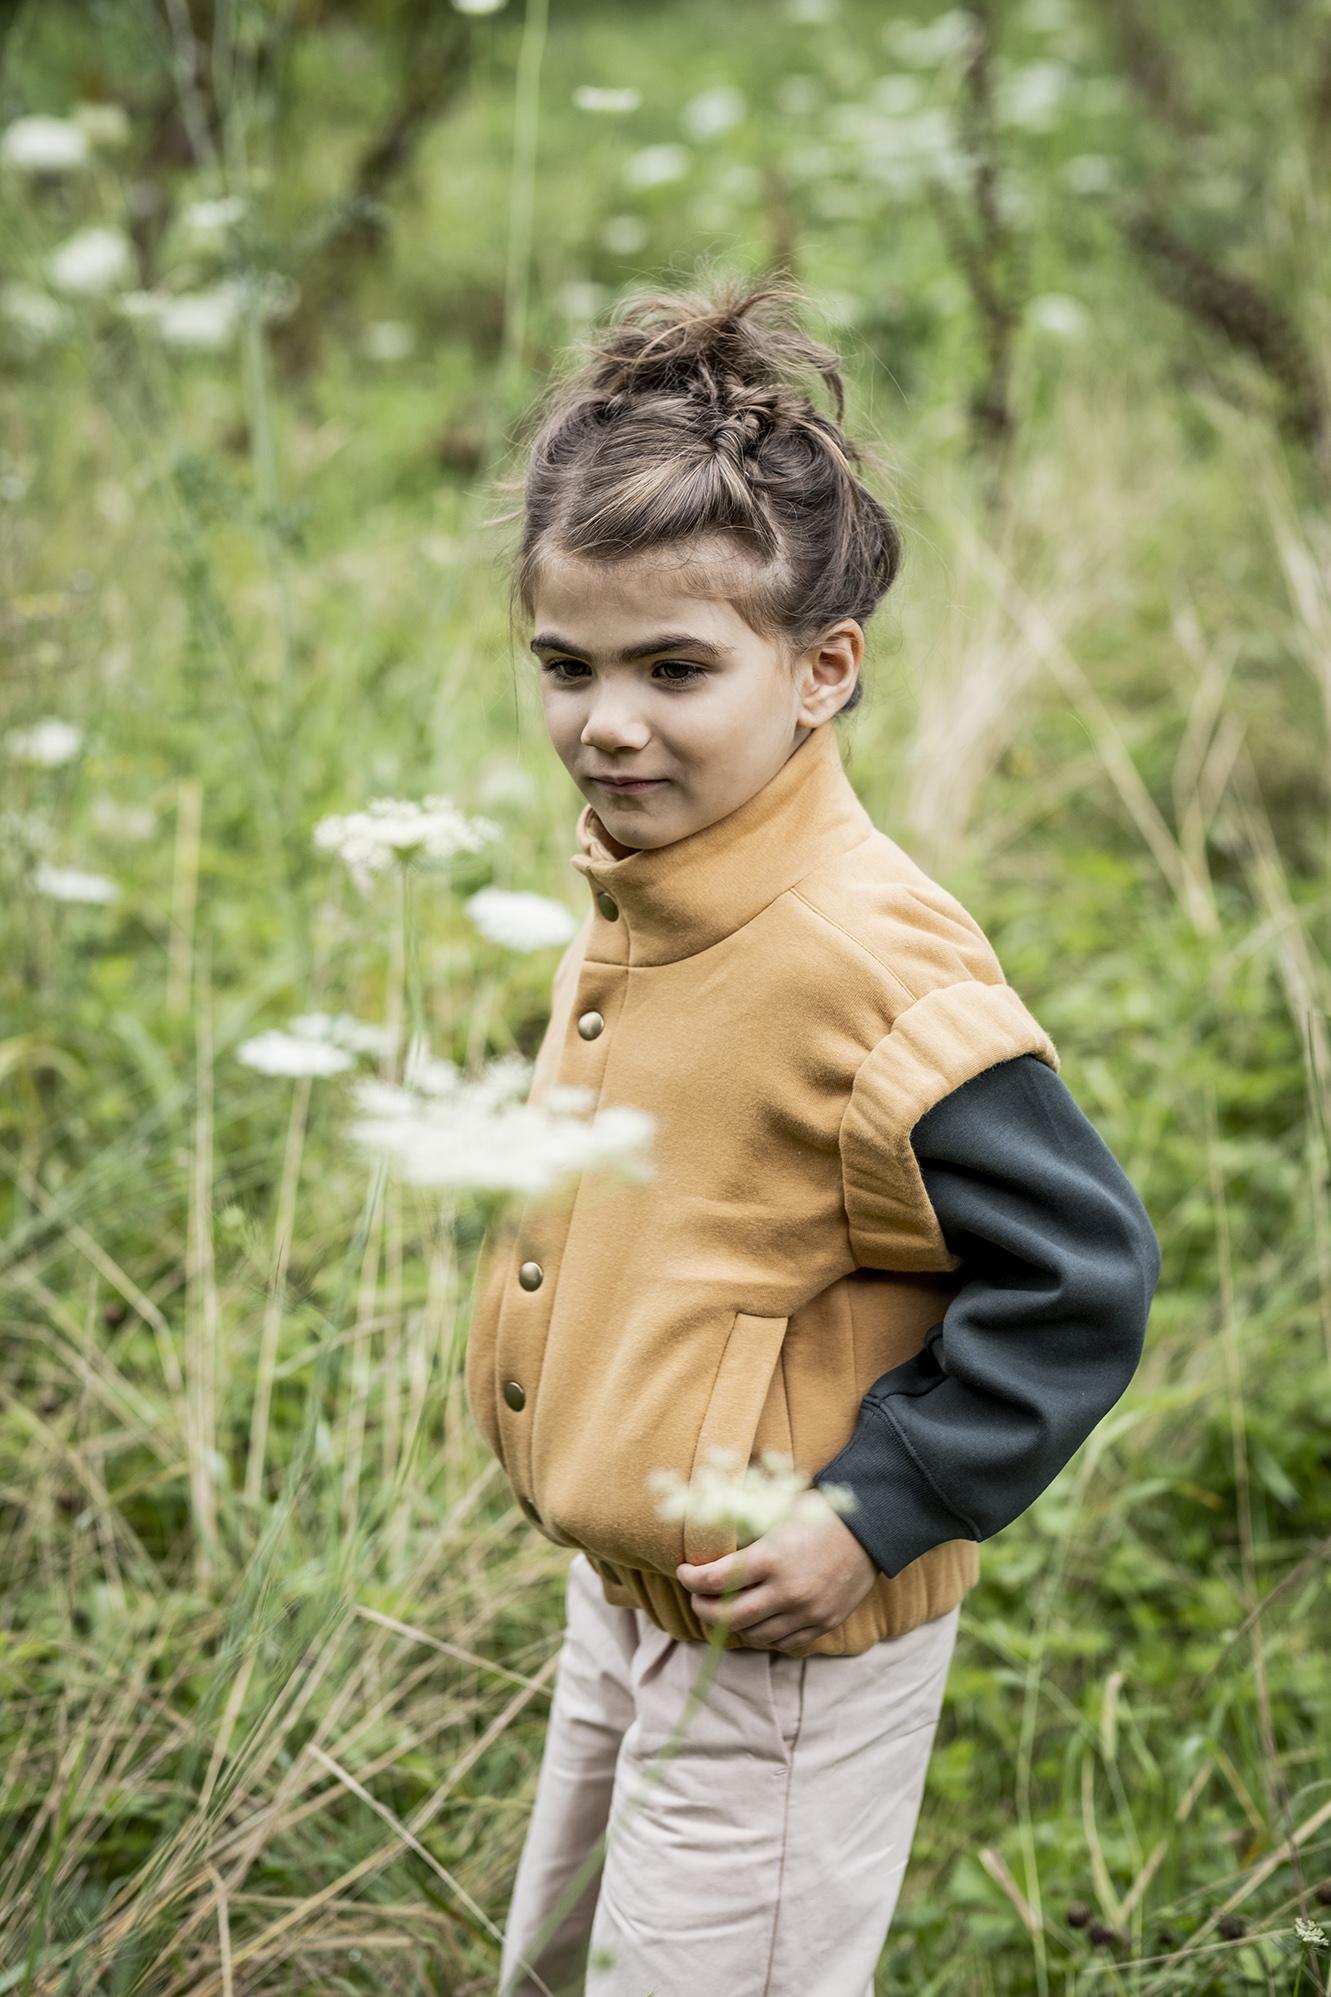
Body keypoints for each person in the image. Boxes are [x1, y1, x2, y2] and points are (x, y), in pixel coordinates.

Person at [465, 272, 1162, 1997]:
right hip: (629, 1595)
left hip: (786, 1633)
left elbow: (1083, 1272)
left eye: (673, 668)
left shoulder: (865, 957)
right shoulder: (653, 893)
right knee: (568, 1958)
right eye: (568, 664)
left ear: (821, 669)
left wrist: (873, 1508)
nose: (606, 720)